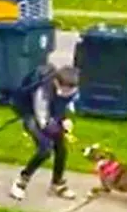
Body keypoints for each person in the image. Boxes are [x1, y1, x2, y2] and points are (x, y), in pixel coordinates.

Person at [9, 65, 81, 201]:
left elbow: (69, 107)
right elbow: (43, 121)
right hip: (33, 115)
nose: (68, 93)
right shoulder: (42, 92)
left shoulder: (72, 90)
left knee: (61, 149)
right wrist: (60, 128)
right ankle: (20, 182)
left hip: (53, 115)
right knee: (45, 149)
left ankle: (57, 184)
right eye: (65, 90)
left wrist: (68, 120)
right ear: (56, 82)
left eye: (71, 90)